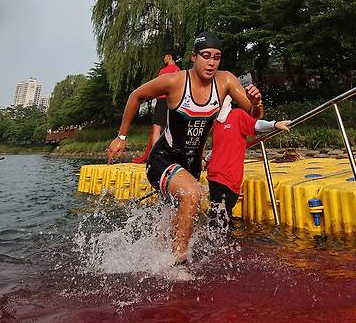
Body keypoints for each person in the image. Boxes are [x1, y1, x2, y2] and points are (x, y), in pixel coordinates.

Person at [106, 31, 263, 266]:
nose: (211, 62)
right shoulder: (175, 81)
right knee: (192, 195)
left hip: (191, 165)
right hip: (162, 159)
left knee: (176, 216)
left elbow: (253, 115)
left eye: (217, 57)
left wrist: (258, 103)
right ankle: (177, 263)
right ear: (194, 57)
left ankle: (154, 259)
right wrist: (121, 137)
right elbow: (136, 96)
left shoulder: (226, 81)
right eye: (206, 56)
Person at [206, 95, 291, 234]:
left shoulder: (237, 115)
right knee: (219, 216)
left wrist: (274, 124)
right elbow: (218, 146)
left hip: (228, 177)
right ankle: (220, 243)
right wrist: (207, 160)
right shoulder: (215, 122)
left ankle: (219, 242)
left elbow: (256, 124)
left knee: (220, 216)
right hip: (216, 177)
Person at [132, 50, 181, 163]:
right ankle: (172, 155)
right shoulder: (178, 71)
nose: (164, 59)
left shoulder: (163, 71)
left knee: (156, 129)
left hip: (163, 100)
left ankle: (155, 156)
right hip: (173, 101)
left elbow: (157, 87)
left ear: (169, 57)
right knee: (171, 128)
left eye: (165, 57)